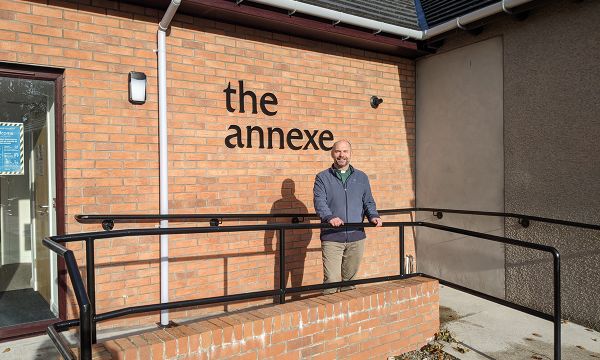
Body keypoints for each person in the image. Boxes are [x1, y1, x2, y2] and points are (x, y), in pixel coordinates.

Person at [313, 140, 382, 294]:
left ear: (350, 154)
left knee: (350, 284)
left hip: (356, 237)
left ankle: (345, 317)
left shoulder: (362, 177)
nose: (341, 155)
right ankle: (330, 315)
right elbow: (319, 202)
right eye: (338, 151)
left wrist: (373, 215)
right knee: (331, 281)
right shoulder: (322, 177)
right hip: (332, 236)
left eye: (345, 151)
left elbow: (368, 201)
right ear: (332, 153)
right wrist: (329, 216)